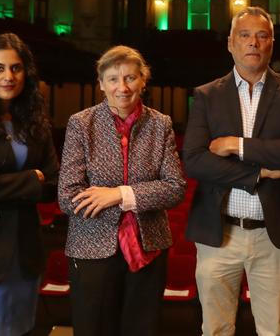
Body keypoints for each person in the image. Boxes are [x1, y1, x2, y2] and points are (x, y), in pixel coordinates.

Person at [182, 6, 280, 336]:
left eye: (261, 36)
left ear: (272, 43)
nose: (253, 43)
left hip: (273, 235)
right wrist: (258, 175)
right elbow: (195, 160)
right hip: (218, 234)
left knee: (273, 330)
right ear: (230, 43)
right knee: (215, 329)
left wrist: (235, 145)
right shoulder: (206, 95)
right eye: (244, 35)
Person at [58, 45, 186, 336]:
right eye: (113, 79)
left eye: (130, 77)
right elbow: (68, 196)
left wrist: (117, 194)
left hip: (149, 247)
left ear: (143, 80)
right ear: (101, 84)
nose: (122, 87)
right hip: (91, 249)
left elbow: (175, 188)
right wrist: (140, 195)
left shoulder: (160, 124)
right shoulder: (81, 123)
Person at [0, 33, 59, 335]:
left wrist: (1, 182)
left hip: (25, 252)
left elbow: (54, 184)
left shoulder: (36, 123)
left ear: (26, 73)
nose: (8, 76)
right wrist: (32, 178)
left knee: (20, 330)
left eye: (16, 68)